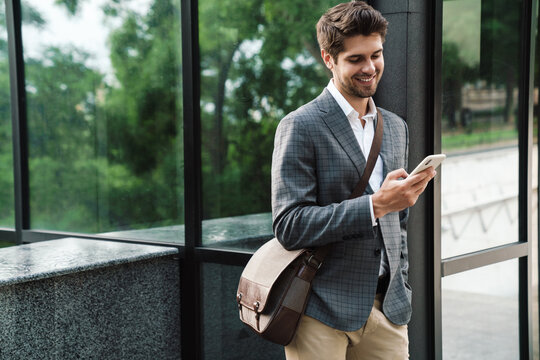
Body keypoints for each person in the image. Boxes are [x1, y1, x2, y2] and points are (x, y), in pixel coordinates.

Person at [271, 1, 436, 359]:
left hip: (386, 310)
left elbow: (399, 223)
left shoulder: (394, 127)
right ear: (328, 59)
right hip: (320, 309)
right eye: (355, 59)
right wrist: (376, 204)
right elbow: (290, 225)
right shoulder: (300, 126)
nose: (370, 67)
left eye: (375, 55)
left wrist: (401, 284)